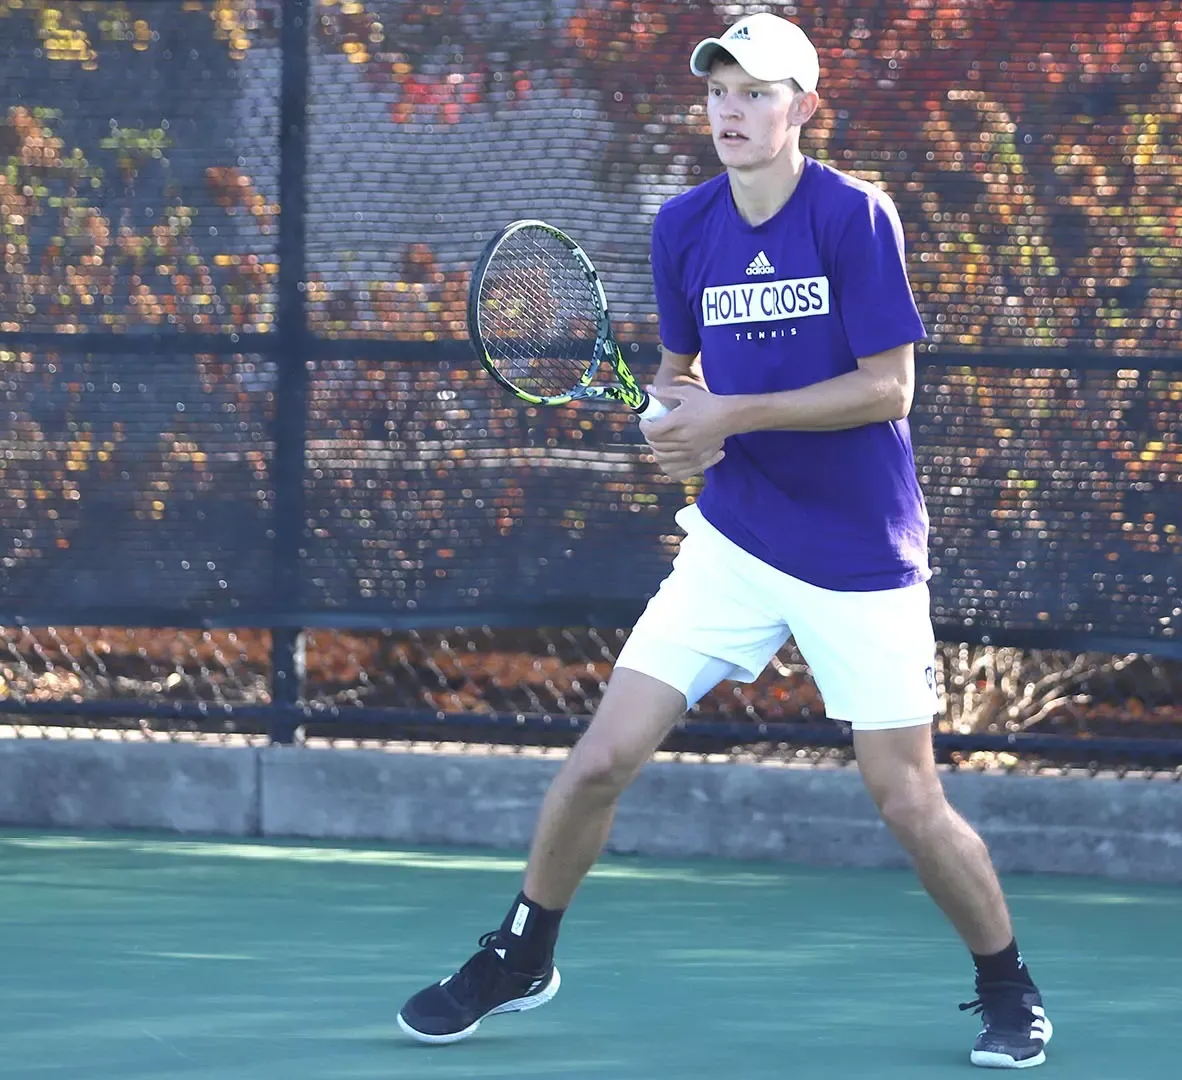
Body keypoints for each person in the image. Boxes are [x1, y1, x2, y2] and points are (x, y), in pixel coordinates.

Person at [397, 12, 1052, 1070]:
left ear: (802, 106)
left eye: (754, 93)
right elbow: (678, 374)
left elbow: (890, 387)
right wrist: (673, 418)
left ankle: (1008, 988)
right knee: (602, 758)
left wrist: (729, 420)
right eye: (717, 93)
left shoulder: (854, 216)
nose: (730, 112)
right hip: (735, 540)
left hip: (860, 553)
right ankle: (522, 952)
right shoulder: (683, 226)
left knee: (906, 798)